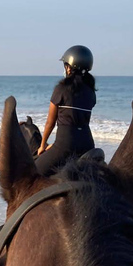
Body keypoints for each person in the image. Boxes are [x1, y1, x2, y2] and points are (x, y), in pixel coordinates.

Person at [35, 45, 97, 176]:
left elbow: (50, 123)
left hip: (66, 144)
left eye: (65, 65)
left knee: (32, 174)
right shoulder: (91, 91)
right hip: (87, 144)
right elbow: (80, 121)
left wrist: (42, 146)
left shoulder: (61, 89)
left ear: (69, 67)